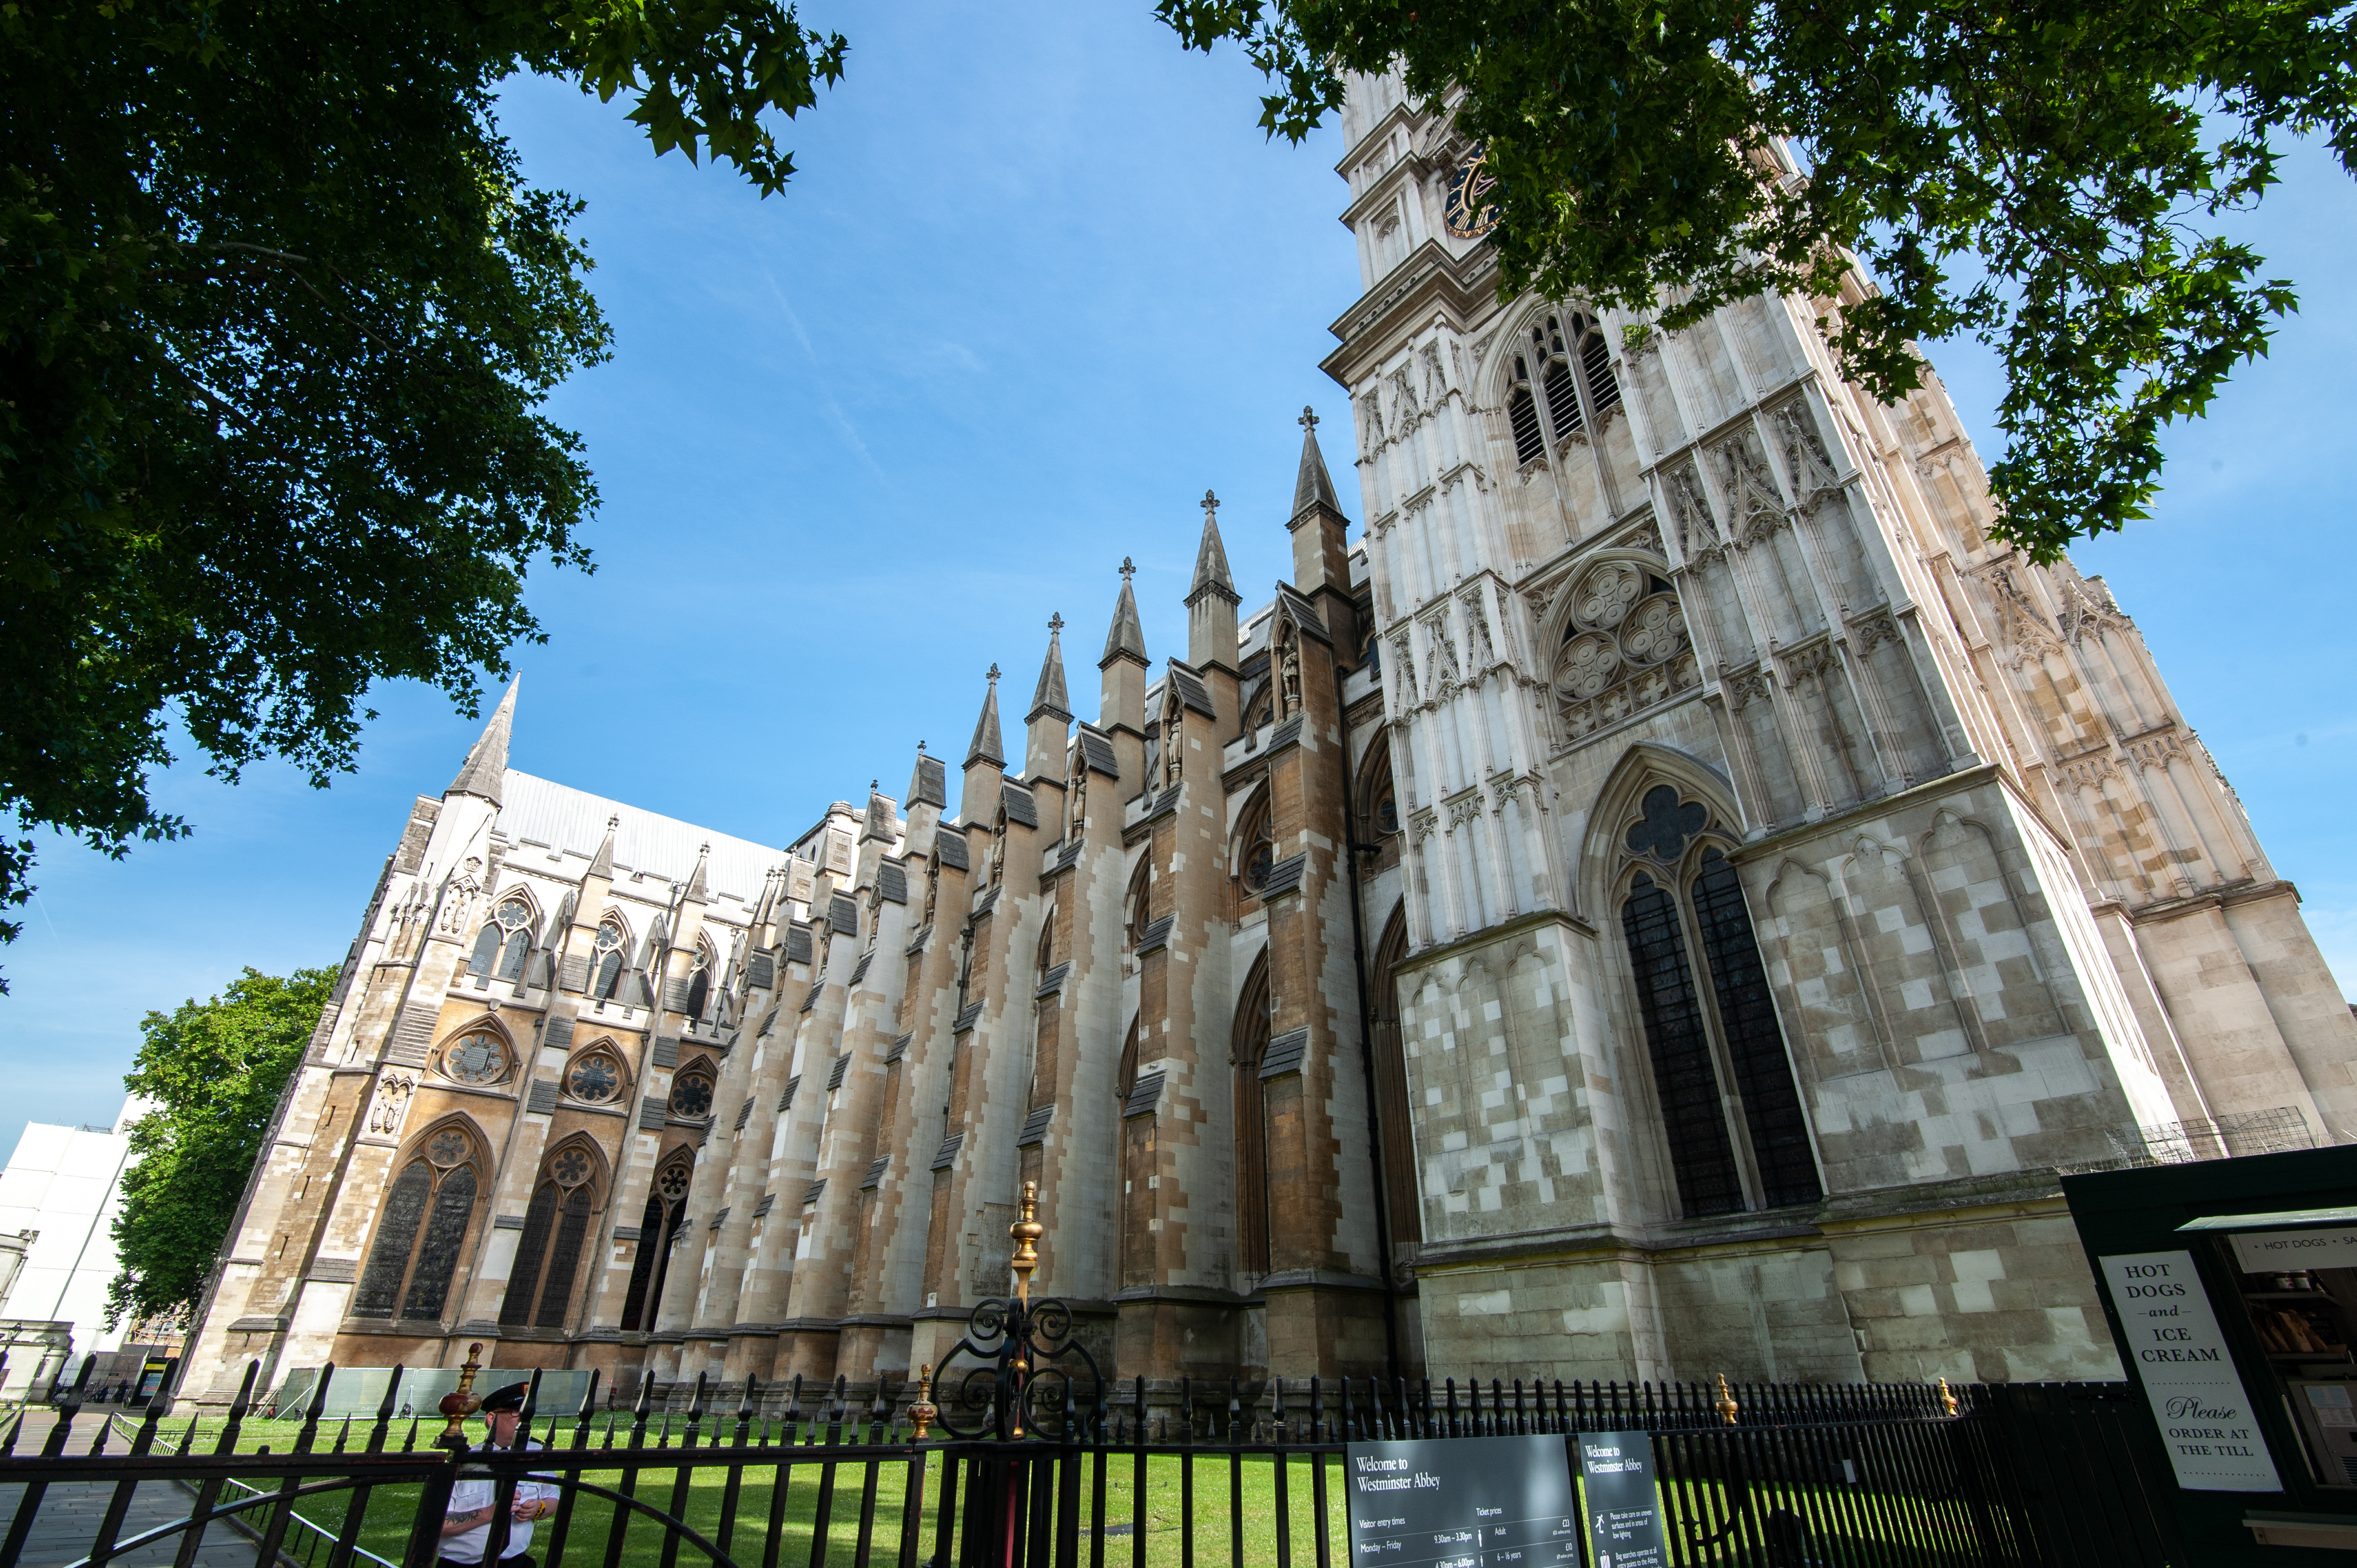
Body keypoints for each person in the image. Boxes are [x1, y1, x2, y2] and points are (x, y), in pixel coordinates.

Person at [439, 1383, 559, 1568]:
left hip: (515, 1562)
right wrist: (489, 1513)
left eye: (526, 1413)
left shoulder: (537, 1454)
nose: (523, 1419)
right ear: (491, 1418)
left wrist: (538, 1508)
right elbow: (438, 1523)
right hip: (463, 1564)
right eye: (515, 1413)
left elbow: (553, 1498)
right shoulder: (464, 1461)